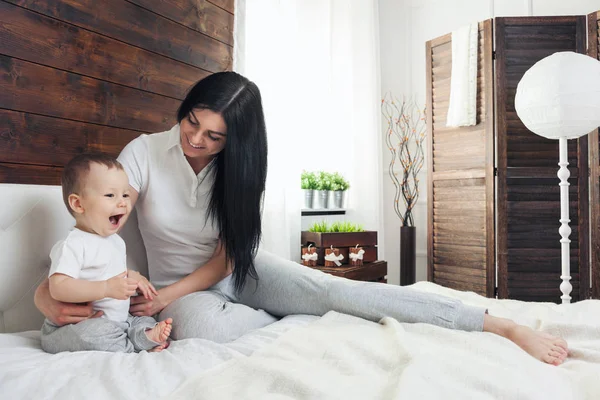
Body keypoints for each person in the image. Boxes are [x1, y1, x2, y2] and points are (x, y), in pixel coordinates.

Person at [35, 72, 568, 365]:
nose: (195, 139)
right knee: (200, 330)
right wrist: (46, 296)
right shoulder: (145, 153)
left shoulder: (242, 172)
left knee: (339, 290)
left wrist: (167, 297)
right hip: (189, 297)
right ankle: (296, 315)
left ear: (236, 141)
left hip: (238, 271)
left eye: (213, 135)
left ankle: (495, 322)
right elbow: (98, 219)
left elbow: (227, 254)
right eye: (191, 121)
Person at [40, 153, 172, 354]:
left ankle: (141, 334)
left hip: (117, 321)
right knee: (93, 335)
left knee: (143, 318)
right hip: (76, 327)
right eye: (111, 195)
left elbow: (109, 270)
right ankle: (134, 345)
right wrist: (105, 289)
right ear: (78, 204)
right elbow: (58, 288)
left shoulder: (116, 241)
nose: (123, 203)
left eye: (125, 195)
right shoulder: (73, 244)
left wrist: (133, 277)